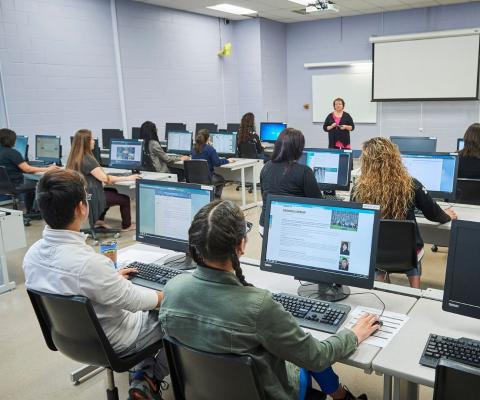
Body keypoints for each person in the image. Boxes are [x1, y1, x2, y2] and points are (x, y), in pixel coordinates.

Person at [159, 200, 379, 400]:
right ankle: (342, 395)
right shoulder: (260, 306)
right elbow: (316, 357)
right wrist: (353, 335)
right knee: (308, 347)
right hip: (267, 393)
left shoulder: (173, 289)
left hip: (204, 391)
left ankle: (341, 395)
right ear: (241, 246)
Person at [23, 170, 169, 400]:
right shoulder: (89, 265)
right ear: (81, 208)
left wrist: (111, 280)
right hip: (118, 342)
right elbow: (135, 301)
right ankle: (149, 377)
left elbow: (73, 286)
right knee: (176, 313)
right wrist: (167, 294)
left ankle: (144, 373)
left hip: (69, 339)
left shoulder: (32, 255)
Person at [351, 137, 457, 288]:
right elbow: (433, 214)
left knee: (374, 245)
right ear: (394, 158)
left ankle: (380, 278)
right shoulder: (411, 184)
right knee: (411, 249)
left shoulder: (357, 189)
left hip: (375, 252)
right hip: (409, 254)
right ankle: (415, 287)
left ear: (366, 162)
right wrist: (447, 215)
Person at [66, 129, 138, 231]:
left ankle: (99, 220)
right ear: (86, 142)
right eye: (91, 139)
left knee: (112, 192)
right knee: (125, 199)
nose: (94, 141)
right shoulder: (87, 159)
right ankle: (127, 226)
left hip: (83, 196)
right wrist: (128, 177)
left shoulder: (74, 158)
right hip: (92, 197)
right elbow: (106, 179)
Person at [260, 128, 323, 231]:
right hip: (290, 229)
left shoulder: (266, 167)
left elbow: (264, 195)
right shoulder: (304, 171)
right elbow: (318, 205)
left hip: (265, 226)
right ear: (298, 149)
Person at [0, 128, 59, 214]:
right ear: (11, 140)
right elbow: (27, 169)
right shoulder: (12, 153)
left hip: (3, 186)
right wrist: (48, 169)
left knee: (31, 182)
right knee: (42, 182)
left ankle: (31, 210)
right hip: (16, 185)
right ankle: (37, 211)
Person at [191, 129, 234, 198]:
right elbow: (217, 163)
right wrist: (227, 160)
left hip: (194, 177)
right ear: (208, 138)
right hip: (207, 178)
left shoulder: (193, 148)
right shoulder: (210, 149)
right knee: (221, 179)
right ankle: (215, 199)